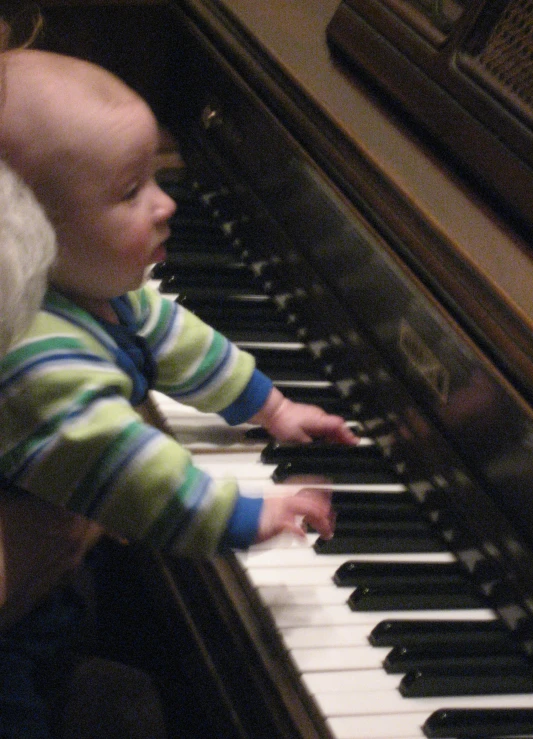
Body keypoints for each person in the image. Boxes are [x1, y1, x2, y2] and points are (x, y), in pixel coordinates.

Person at [0, 47, 359, 736]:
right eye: (130, 192)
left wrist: (271, 406)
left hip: (53, 567)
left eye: (156, 178)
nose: (165, 203)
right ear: (34, 231)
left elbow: (178, 337)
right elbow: (135, 472)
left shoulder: (98, 290)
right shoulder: (40, 358)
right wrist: (249, 513)